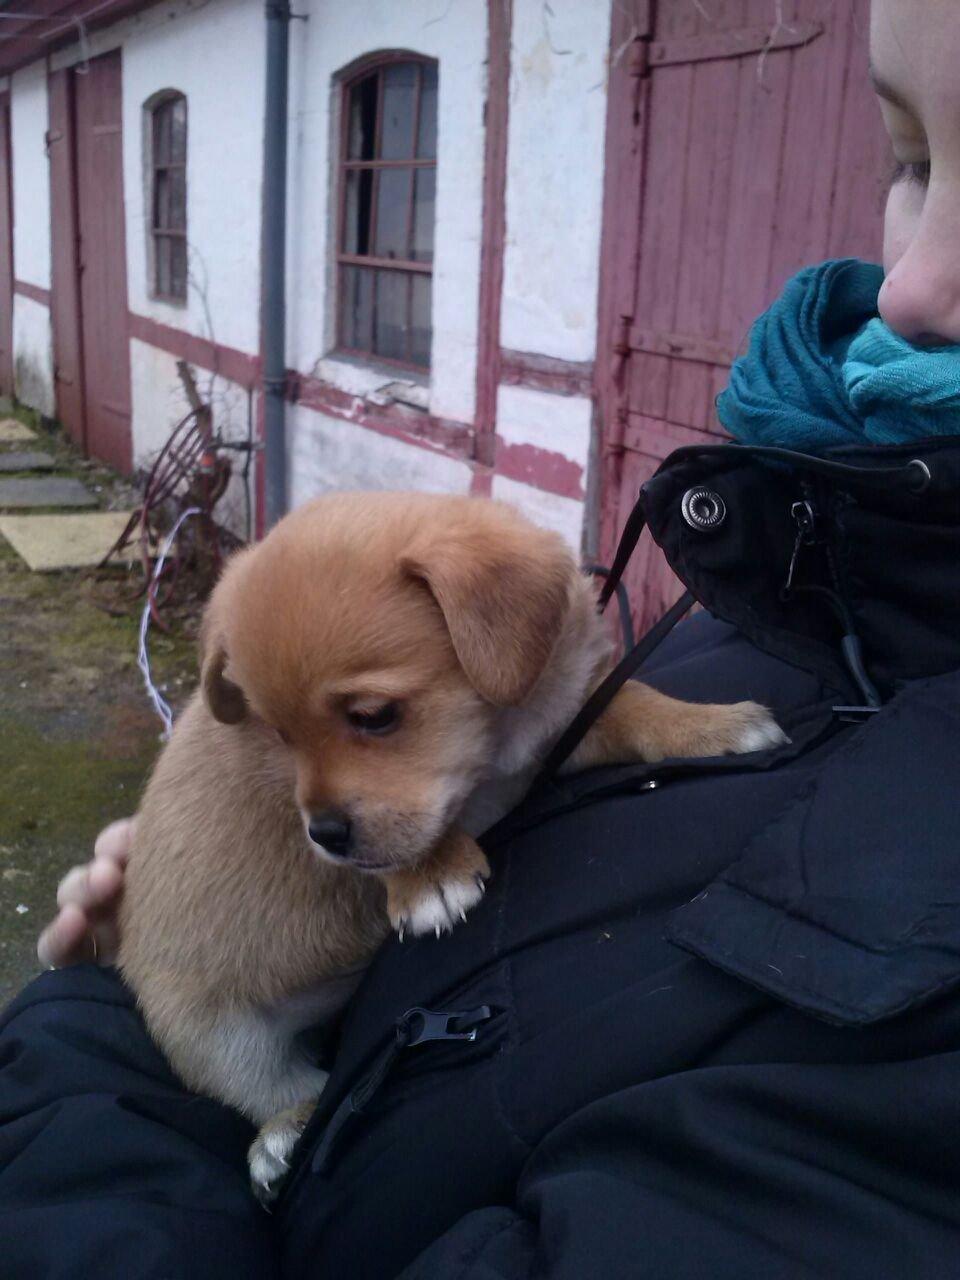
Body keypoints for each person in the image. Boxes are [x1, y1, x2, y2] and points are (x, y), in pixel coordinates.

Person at [5, 0, 960, 1274]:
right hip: (234, 1016)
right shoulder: (785, 570)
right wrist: (118, 965)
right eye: (909, 158)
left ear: (490, 613)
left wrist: (71, 1053)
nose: (914, 284)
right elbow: (546, 740)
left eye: (371, 713)